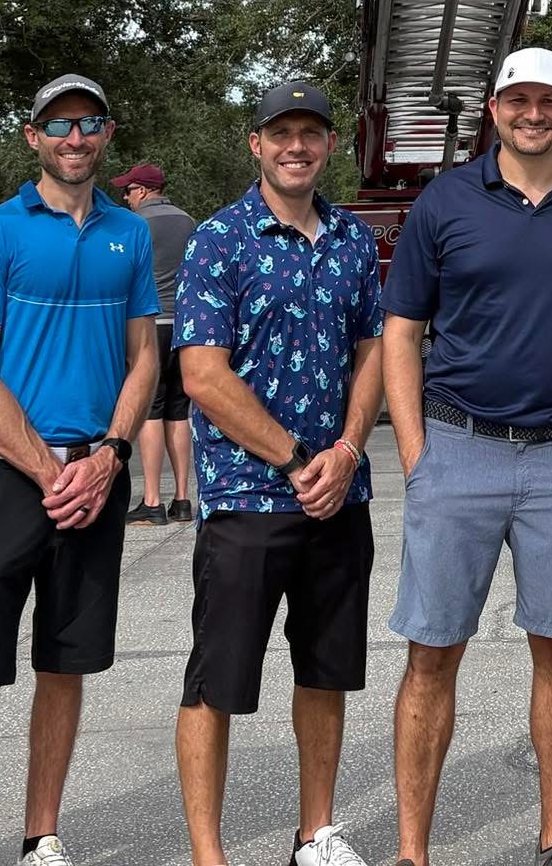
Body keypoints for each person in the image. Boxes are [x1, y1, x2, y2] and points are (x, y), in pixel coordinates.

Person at [384, 46, 552, 866]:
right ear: (495, 109)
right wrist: (418, 454)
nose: (533, 114)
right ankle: (413, 851)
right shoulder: (445, 201)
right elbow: (402, 332)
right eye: (518, 100)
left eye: (549, 101)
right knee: (432, 655)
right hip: (457, 448)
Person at [0, 73, 158, 866]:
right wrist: (49, 470)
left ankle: (42, 836)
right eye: (58, 125)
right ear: (33, 136)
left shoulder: (129, 235)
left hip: (97, 474)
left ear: (107, 134)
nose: (75, 137)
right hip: (7, 477)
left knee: (65, 667)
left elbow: (144, 358)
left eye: (89, 122)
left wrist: (111, 454)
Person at [174, 80, 384, 866]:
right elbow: (203, 374)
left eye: (311, 133)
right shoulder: (218, 240)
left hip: (339, 496)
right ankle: (209, 854)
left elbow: (373, 350)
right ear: (256, 144)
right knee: (215, 682)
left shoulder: (353, 240)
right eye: (282, 133)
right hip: (247, 497)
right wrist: (296, 459)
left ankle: (314, 833)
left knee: (325, 674)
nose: (297, 147)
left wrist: (348, 449)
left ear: (329, 145)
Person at [117, 162, 198, 525]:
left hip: (150, 324)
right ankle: (182, 498)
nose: (125, 197)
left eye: (128, 190)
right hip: (185, 326)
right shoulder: (189, 222)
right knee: (179, 411)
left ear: (144, 190)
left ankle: (152, 500)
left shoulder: (134, 225)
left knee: (151, 409)